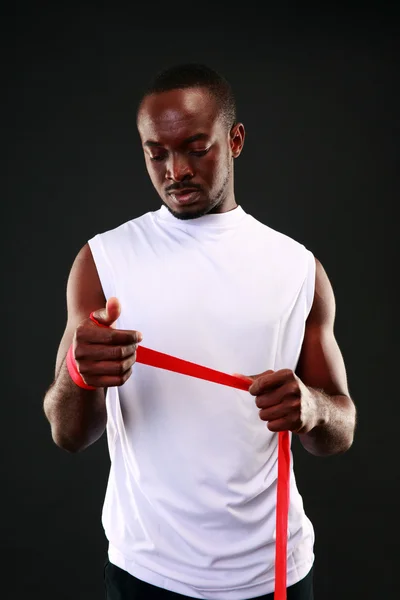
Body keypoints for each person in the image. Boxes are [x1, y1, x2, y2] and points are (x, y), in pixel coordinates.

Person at [43, 63, 357, 600]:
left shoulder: (298, 268)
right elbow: (68, 434)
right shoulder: (104, 260)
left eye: (195, 147)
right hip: (147, 573)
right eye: (156, 153)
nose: (175, 170)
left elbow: (340, 428)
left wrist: (311, 407)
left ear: (234, 140)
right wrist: (79, 374)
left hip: (274, 572)